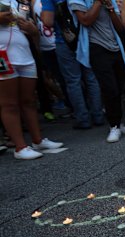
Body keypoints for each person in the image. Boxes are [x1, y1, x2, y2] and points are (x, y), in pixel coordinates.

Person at [0, 2, 63, 160]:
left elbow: (33, 27)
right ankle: (20, 147)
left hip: (24, 54)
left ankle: (38, 140)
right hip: (4, 56)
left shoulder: (17, 2)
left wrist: (32, 29)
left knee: (29, 100)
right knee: (9, 104)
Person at [70, 0, 125, 143]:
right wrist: (98, 2)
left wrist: (111, 9)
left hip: (115, 46)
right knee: (109, 88)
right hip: (96, 47)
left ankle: (118, 123)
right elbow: (85, 20)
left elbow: (120, 27)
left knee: (119, 87)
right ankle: (113, 126)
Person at [41, 0, 104, 129]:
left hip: (64, 40)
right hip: (85, 37)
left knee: (73, 81)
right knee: (91, 78)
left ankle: (83, 119)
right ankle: (98, 115)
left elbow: (47, 21)